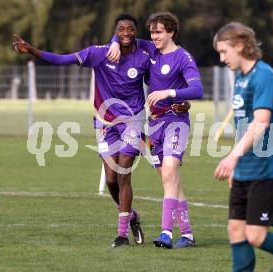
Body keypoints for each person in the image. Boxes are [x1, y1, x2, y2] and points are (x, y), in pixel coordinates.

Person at [13, 13, 148, 248]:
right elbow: (62, 60)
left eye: (130, 29)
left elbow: (162, 61)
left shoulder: (145, 54)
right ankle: (132, 216)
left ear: (136, 32)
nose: (126, 33)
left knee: (124, 170)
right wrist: (32, 50)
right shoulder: (98, 53)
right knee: (110, 180)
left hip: (133, 121)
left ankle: (122, 235)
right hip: (105, 123)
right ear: (115, 32)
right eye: (121, 30)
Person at [108, 11, 203, 249]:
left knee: (170, 174)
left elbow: (197, 89)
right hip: (154, 126)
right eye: (152, 32)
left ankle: (166, 234)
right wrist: (113, 43)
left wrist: (170, 94)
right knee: (170, 179)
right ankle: (188, 235)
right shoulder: (150, 50)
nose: (154, 36)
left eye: (159, 31)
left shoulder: (183, 57)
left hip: (176, 121)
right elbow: (123, 35)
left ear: (171, 31)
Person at [213, 22, 273, 271]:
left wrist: (232, 157)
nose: (222, 59)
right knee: (236, 230)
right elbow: (244, 126)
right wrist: (238, 165)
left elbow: (261, 122)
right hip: (245, 168)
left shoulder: (264, 75)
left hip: (265, 170)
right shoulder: (241, 77)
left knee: (256, 235)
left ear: (241, 46)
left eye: (224, 52)